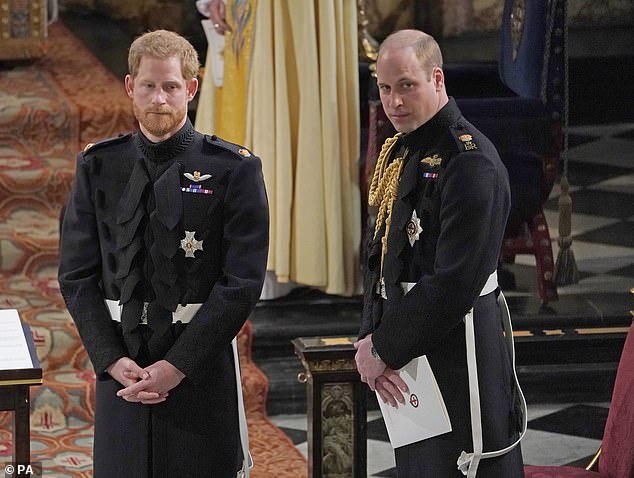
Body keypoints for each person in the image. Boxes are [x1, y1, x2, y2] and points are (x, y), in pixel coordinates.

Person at [58, 29, 269, 478]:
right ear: (130, 86)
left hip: (199, 370)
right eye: (149, 86)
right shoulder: (98, 166)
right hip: (123, 374)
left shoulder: (233, 169)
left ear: (190, 90)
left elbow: (241, 283)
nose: (160, 99)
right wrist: (112, 361)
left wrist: (177, 366)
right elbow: (76, 277)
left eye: (171, 86)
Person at [354, 29, 525, 477]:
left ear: (437, 79)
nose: (393, 102)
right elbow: (381, 255)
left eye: (406, 85)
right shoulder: (401, 150)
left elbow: (456, 280)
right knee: (419, 468)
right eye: (386, 88)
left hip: (456, 343)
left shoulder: (469, 161)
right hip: (406, 343)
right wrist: (370, 336)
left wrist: (385, 346)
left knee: (461, 466)